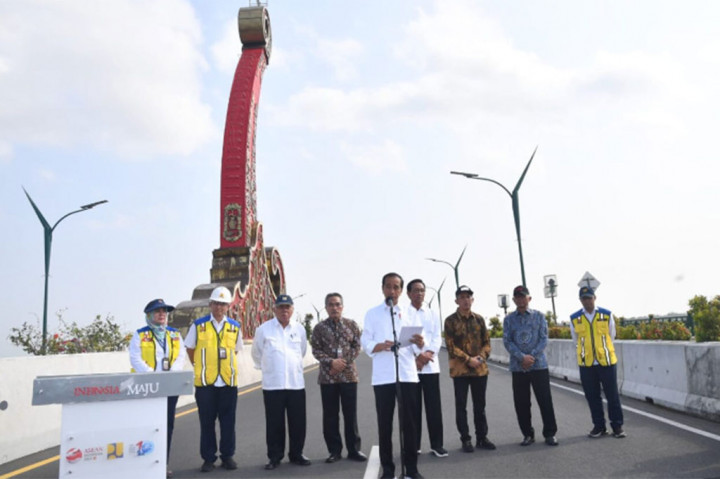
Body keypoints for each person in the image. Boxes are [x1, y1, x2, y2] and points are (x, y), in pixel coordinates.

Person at [361, 272, 425, 479]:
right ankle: (388, 469)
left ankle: (411, 469)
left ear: (401, 290)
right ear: (383, 289)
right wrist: (379, 345)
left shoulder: (410, 313)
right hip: (383, 376)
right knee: (385, 424)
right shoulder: (372, 314)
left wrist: (420, 343)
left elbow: (417, 345)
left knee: (410, 424)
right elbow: (366, 341)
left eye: (396, 287)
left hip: (407, 374)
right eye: (388, 286)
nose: (392, 291)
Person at [185, 286, 242, 473]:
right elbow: (190, 349)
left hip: (227, 382)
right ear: (210, 304)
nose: (219, 307)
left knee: (228, 422)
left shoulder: (234, 327)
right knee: (207, 423)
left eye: (223, 304)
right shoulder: (198, 325)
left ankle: (227, 456)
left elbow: (235, 351)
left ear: (228, 307)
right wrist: (201, 366)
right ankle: (208, 458)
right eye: (216, 303)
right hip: (206, 384)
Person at [252, 294, 311, 470]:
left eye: (287, 307)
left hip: (295, 384)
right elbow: (256, 354)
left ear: (292, 309)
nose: (284, 310)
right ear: (275, 309)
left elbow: (302, 351)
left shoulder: (300, 329)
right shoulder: (263, 330)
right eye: (281, 307)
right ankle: (274, 457)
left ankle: (297, 454)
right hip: (273, 385)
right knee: (274, 424)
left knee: (298, 423)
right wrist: (270, 369)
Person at [129, 298, 187, 478]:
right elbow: (135, 359)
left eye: (164, 311)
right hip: (147, 388)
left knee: (167, 426)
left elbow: (181, 356)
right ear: (149, 315)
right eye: (158, 311)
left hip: (169, 387)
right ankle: (143, 464)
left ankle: (162, 464)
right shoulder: (140, 334)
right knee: (146, 425)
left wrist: (170, 375)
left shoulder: (174, 334)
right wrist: (153, 376)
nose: (162, 314)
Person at [310, 292, 367, 464]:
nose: (334, 308)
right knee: (330, 416)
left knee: (350, 415)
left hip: (349, 376)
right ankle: (334, 451)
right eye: (331, 305)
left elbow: (357, 346)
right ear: (326, 307)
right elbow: (316, 350)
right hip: (328, 377)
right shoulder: (319, 328)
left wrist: (343, 363)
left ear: (342, 307)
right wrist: (331, 362)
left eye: (337, 304)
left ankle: (354, 450)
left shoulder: (352, 325)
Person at [502, 285, 559, 447]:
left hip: (538, 365)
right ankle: (527, 434)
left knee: (545, 400)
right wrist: (521, 357)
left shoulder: (539, 316)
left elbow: (543, 339)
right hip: (518, 366)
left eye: (523, 296)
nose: (521, 300)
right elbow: (507, 340)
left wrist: (531, 356)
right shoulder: (508, 319)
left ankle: (550, 434)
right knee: (521, 403)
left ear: (529, 298)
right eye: (517, 297)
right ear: (514, 300)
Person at [444, 285, 496, 453]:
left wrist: (480, 358)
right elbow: (450, 346)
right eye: (462, 297)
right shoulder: (450, 321)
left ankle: (482, 437)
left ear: (472, 300)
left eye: (468, 297)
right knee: (461, 406)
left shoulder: (479, 319)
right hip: (460, 371)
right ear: (456, 301)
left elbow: (487, 342)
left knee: (480, 406)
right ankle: (465, 439)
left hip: (479, 370)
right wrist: (468, 359)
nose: (465, 300)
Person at [570, 286, 626, 439]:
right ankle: (599, 426)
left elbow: (611, 335)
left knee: (612, 395)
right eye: (584, 298)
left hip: (606, 361)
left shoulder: (606, 315)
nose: (587, 301)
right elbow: (576, 340)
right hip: (587, 364)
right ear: (580, 300)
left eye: (589, 298)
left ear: (595, 298)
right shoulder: (575, 318)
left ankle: (617, 426)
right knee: (592, 397)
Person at [406, 279, 447, 458]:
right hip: (411, 366)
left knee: (434, 407)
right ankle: (414, 446)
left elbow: (437, 338)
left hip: (430, 366)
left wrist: (427, 354)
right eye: (415, 290)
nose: (419, 293)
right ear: (408, 293)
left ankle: (437, 445)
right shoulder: (403, 314)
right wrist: (418, 355)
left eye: (422, 290)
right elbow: (405, 339)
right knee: (412, 408)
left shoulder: (432, 313)